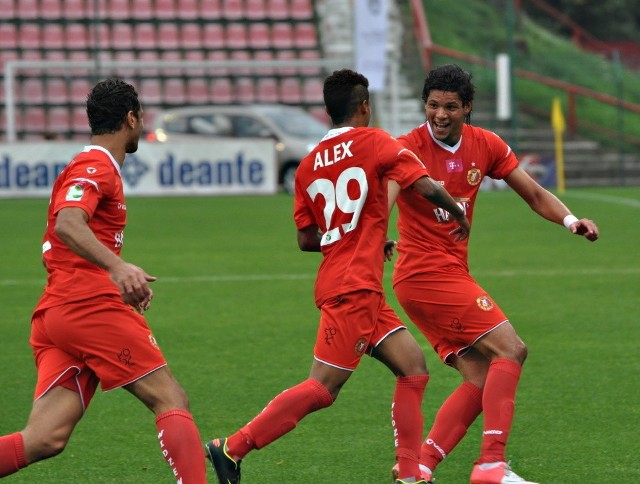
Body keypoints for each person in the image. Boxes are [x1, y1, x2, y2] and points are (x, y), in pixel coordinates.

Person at [205, 69, 471, 484]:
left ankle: (408, 474)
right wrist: (458, 211)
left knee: (414, 367)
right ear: (365, 106)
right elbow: (425, 185)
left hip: (350, 280)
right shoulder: (377, 141)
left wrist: (357, 237)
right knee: (323, 388)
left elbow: (306, 239)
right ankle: (232, 447)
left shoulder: (308, 164)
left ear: (328, 111)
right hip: (353, 288)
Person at [386, 64, 599, 484]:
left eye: (450, 106)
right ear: (423, 105)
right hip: (425, 274)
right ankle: (491, 465)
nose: (440, 115)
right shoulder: (405, 148)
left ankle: (421, 464)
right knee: (511, 349)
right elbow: (384, 198)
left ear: (468, 107)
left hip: (441, 275)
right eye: (432, 105)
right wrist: (377, 233)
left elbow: (535, 194)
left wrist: (571, 220)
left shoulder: (486, 144)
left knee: (483, 379)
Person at [0, 78, 207, 483]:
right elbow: (68, 224)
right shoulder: (94, 166)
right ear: (131, 118)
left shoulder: (93, 166)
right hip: (86, 306)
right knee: (170, 398)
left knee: (44, 438)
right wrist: (117, 269)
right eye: (141, 116)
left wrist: (119, 274)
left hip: (57, 314)